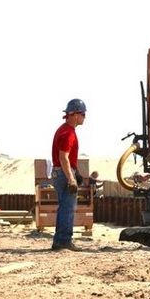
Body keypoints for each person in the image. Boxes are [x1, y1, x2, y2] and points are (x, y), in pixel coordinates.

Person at [50, 98, 86, 251]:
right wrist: (71, 179)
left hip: (61, 172)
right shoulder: (68, 133)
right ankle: (64, 241)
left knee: (64, 207)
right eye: (83, 114)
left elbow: (66, 158)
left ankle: (60, 240)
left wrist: (75, 172)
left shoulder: (63, 130)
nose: (85, 117)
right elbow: (63, 156)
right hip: (64, 174)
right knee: (68, 208)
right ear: (75, 114)